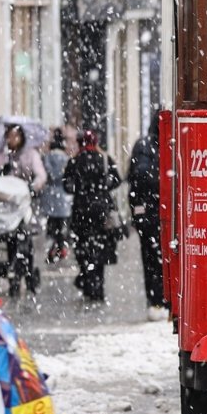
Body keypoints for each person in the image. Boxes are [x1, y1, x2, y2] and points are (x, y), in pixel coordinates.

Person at [63, 129, 123, 304]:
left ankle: (87, 282)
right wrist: (102, 189)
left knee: (83, 249)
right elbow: (117, 180)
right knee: (100, 250)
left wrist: (81, 189)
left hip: (81, 211)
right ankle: (98, 286)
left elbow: (66, 186)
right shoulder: (104, 159)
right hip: (101, 211)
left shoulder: (74, 161)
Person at [0, 123, 47, 292]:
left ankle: (26, 271)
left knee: (25, 238)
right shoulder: (0, 155)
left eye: (16, 136)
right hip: (6, 205)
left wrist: (32, 186)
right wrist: (1, 173)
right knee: (11, 239)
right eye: (9, 136)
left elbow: (41, 176)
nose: (12, 140)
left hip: (25, 203)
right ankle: (14, 271)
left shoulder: (30, 155)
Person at [128, 120, 166, 316]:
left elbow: (134, 180)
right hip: (158, 211)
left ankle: (156, 300)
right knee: (161, 257)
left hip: (149, 212)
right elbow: (141, 177)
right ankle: (161, 300)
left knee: (151, 257)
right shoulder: (165, 145)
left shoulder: (142, 145)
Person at [38, 128, 74, 263]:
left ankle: (54, 247)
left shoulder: (47, 157)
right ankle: (61, 247)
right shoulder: (66, 158)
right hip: (64, 195)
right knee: (61, 224)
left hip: (50, 194)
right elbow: (66, 175)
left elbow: (47, 172)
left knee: (51, 224)